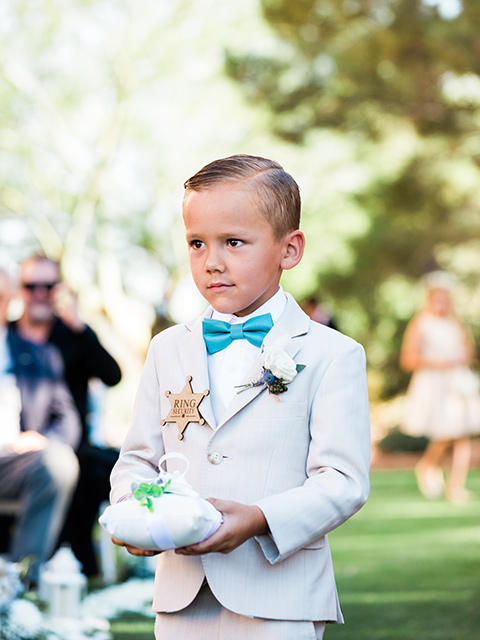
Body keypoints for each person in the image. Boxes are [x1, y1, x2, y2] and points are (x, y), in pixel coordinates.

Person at [109, 155, 371, 639]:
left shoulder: (333, 354)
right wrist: (135, 512)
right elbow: (138, 459)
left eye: (234, 242)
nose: (212, 261)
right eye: (196, 243)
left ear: (289, 250)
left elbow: (343, 481)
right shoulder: (168, 348)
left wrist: (259, 519)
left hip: (281, 597)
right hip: (182, 597)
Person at [11, 255, 122, 576]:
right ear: (21, 290)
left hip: (70, 444)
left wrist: (78, 325)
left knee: (93, 470)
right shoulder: (9, 337)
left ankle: (73, 562)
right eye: (32, 286)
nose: (40, 293)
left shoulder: (71, 335)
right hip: (17, 448)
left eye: (48, 286)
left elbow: (113, 375)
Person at [0, 268, 80, 585]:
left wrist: (41, 440)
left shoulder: (41, 355)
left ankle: (21, 580)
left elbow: (69, 422)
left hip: (12, 460)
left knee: (59, 461)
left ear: (9, 301)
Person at [400, 272, 479, 503]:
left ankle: (456, 487)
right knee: (447, 433)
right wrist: (440, 362)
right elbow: (408, 359)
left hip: (457, 383)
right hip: (434, 383)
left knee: (461, 434)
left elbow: (468, 350)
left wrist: (463, 357)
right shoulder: (421, 324)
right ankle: (427, 465)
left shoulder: (456, 322)